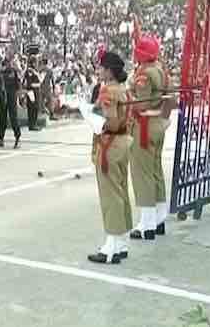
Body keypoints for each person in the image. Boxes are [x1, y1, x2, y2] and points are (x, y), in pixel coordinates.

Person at [88, 52, 132, 265]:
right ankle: (121, 242)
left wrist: (93, 119)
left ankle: (111, 247)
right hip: (123, 142)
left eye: (101, 67)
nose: (99, 71)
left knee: (110, 195)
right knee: (120, 191)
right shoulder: (124, 90)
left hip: (109, 144)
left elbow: (111, 122)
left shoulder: (107, 91)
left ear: (109, 71)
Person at [129, 36, 168, 240]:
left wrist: (127, 96)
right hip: (158, 123)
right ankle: (160, 218)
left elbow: (142, 103)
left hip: (144, 125)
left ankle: (147, 224)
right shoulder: (161, 70)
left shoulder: (144, 74)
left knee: (142, 173)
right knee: (155, 172)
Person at [0, 59, 21, 149]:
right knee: (3, 118)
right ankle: (2, 139)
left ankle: (16, 138)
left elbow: (18, 85)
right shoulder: (0, 72)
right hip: (5, 97)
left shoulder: (11, 71)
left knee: (12, 118)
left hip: (9, 97)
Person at [23, 56, 43, 131]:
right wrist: (37, 84)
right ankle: (32, 125)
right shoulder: (30, 70)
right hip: (31, 91)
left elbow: (40, 80)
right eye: (36, 62)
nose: (37, 63)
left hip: (36, 91)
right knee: (32, 108)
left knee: (35, 108)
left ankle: (34, 124)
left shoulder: (35, 70)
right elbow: (29, 83)